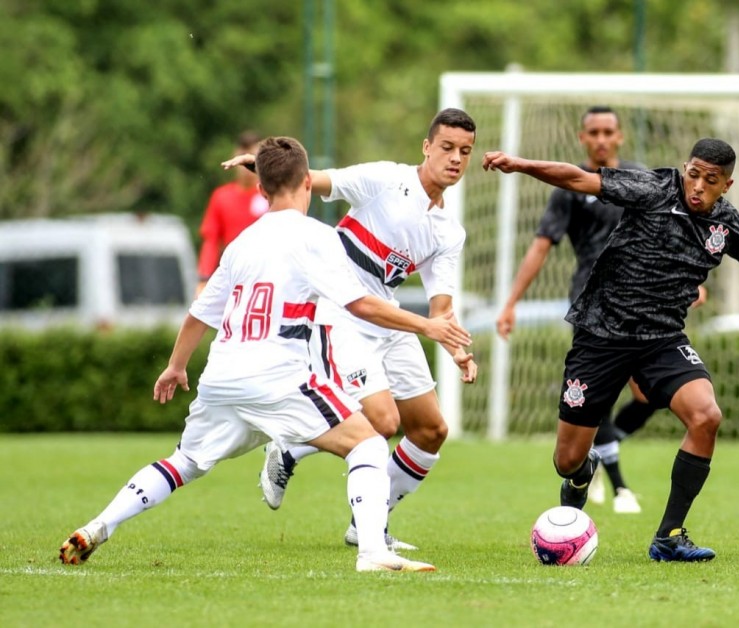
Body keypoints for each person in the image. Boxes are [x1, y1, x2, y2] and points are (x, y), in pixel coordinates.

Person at [59, 136, 474, 573]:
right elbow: (360, 304)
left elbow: (199, 313)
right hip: (278, 376)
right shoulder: (317, 237)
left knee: (182, 462)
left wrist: (175, 366)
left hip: (222, 377)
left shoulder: (241, 243)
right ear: (307, 186)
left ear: (260, 190)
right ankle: (371, 550)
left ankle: (99, 524)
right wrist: (427, 326)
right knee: (370, 441)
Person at [482, 137, 739, 562]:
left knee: (706, 416)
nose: (697, 187)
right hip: (600, 336)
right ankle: (581, 478)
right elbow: (579, 178)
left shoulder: (726, 225)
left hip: (661, 341)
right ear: (684, 168)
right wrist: (520, 163)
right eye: (693, 174)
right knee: (567, 460)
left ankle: (669, 537)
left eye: (710, 181)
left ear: (726, 185)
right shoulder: (653, 189)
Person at [223, 109, 478, 552]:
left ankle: (366, 526)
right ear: (426, 146)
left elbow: (442, 306)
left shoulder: (448, 231)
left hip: (388, 317)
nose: (455, 158)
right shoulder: (385, 179)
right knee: (382, 422)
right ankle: (288, 446)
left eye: (465, 152)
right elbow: (313, 180)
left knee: (431, 430)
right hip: (340, 310)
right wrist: (261, 165)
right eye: (447, 148)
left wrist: (457, 348)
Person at [496, 106, 650, 514]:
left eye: (608, 131)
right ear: (583, 138)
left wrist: (691, 284)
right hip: (591, 301)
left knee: (649, 393)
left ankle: (598, 453)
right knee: (597, 395)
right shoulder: (568, 187)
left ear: (620, 136)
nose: (601, 138)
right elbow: (541, 245)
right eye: (593, 132)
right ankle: (620, 487)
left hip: (640, 298)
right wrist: (511, 302)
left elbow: (665, 235)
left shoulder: (638, 179)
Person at [195, 130, 270, 296]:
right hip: (234, 276)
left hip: (268, 275)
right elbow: (211, 241)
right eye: (243, 153)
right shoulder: (221, 196)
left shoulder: (272, 194)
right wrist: (204, 278)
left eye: (252, 154)